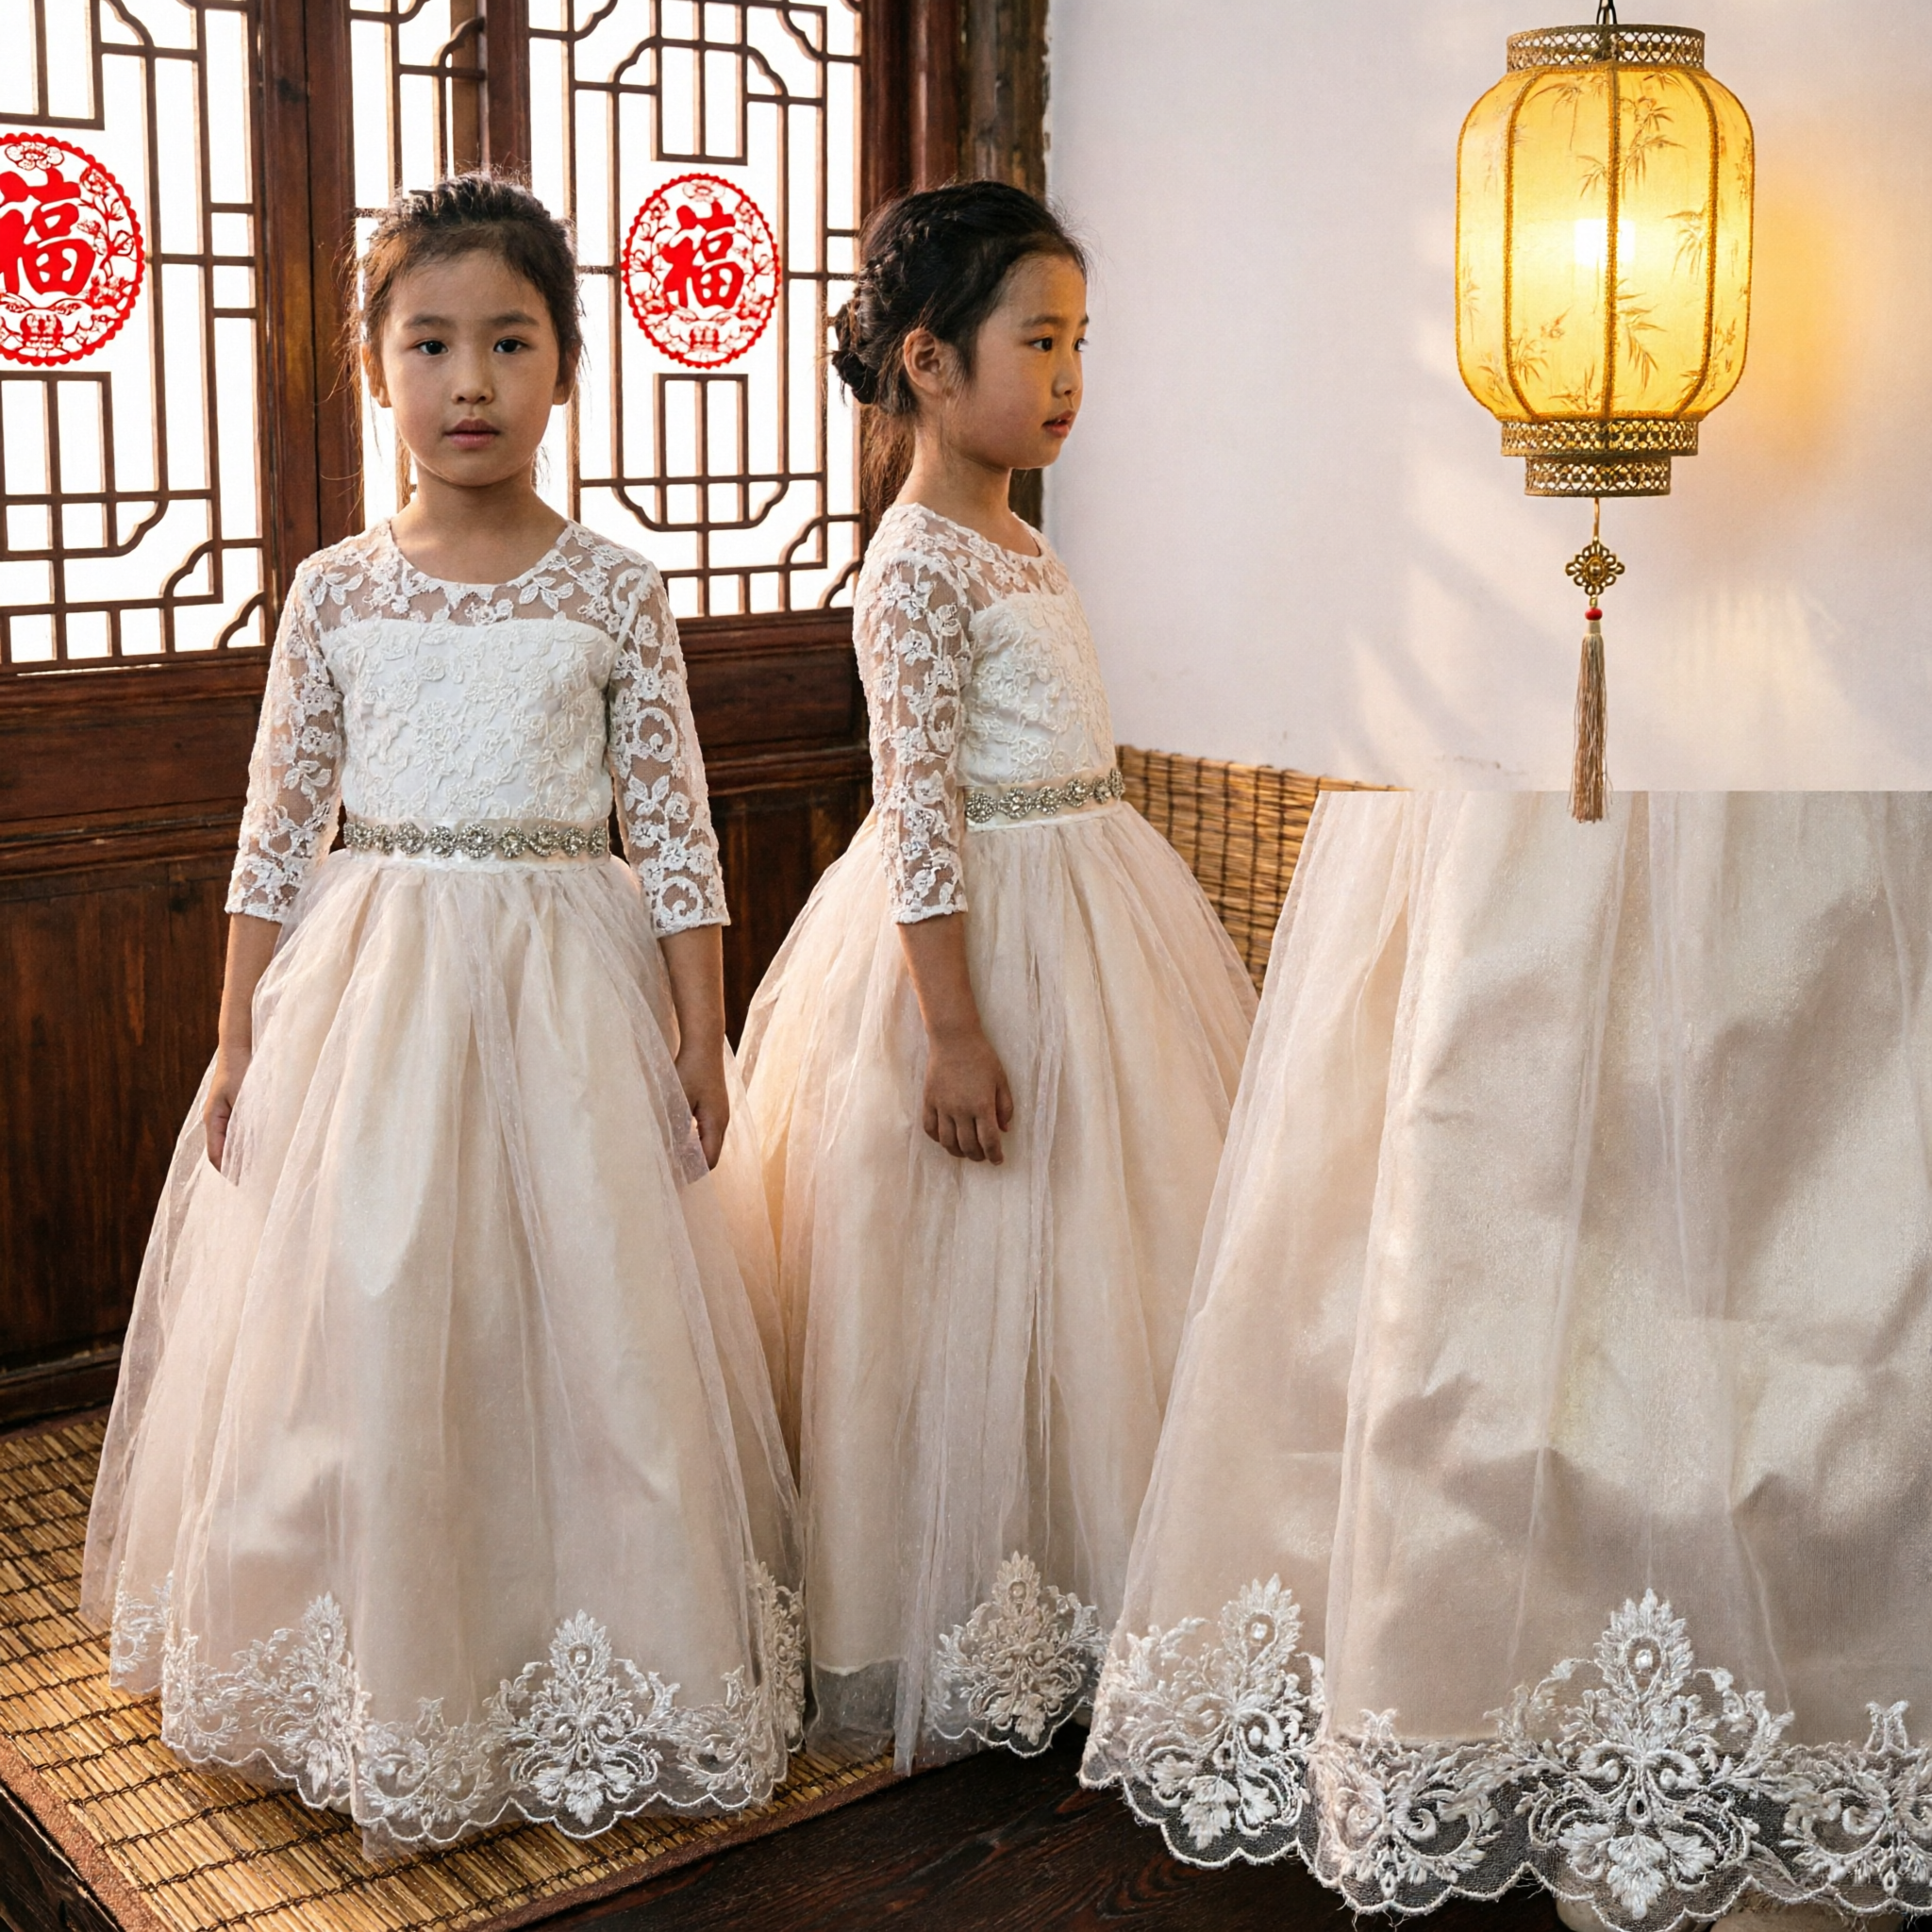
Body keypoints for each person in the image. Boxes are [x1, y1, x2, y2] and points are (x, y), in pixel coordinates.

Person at [80, 174, 803, 1857]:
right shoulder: (335, 591)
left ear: (564, 367)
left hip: (569, 985)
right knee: (376, 1302)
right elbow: (273, 821)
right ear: (372, 366)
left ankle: (578, 1645)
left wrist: (699, 1035)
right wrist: (243, 1028)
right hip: (375, 988)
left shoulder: (615, 589)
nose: (467, 379)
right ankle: (377, 1666)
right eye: (429, 343)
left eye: (509, 341)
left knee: (589, 1316)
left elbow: (675, 829)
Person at [1080, 790, 1930, 1932]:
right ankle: (1568, 1734)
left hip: (1758, 790)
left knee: (1771, 1259)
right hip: (1535, 790)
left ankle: (1757, 1756)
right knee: (1497, 1289)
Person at [739, 181, 1257, 1774]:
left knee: (1103, 1265)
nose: (1067, 375)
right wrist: (951, 1031)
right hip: (969, 952)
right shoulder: (911, 564)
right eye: (1037, 340)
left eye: (1079, 341)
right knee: (966, 1277)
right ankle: (969, 1597)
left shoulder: (1018, 536)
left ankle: (1099, 1582)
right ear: (927, 361)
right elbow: (919, 810)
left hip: (1096, 911)